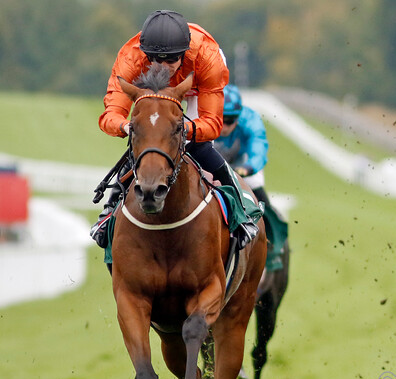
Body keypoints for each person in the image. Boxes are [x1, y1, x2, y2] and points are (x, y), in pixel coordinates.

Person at [90, 9, 259, 250]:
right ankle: (109, 211)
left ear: (183, 54)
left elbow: (212, 125)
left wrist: (184, 129)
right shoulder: (131, 59)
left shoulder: (206, 56)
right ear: (146, 55)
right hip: (153, 90)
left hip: (198, 85)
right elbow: (110, 115)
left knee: (197, 145)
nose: (164, 67)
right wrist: (128, 127)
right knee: (146, 142)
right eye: (157, 60)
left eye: (171, 60)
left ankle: (243, 209)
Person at [214, 84, 274, 212]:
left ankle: (268, 222)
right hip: (210, 163)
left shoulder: (251, 121)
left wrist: (247, 168)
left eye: (230, 120)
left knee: (255, 183)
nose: (224, 127)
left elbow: (259, 150)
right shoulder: (204, 116)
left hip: (240, 165)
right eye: (221, 118)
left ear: (238, 117)